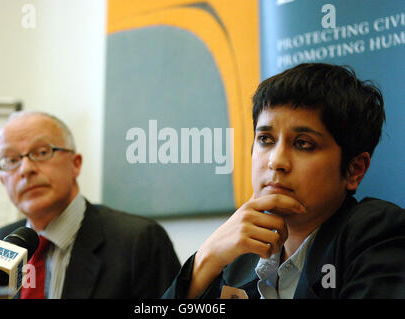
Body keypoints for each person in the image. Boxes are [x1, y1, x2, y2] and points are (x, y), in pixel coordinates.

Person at [162, 63, 405, 299]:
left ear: (354, 170)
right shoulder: (237, 254)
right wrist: (206, 259)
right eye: (266, 139)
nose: (276, 161)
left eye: (303, 144)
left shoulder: (377, 235)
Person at [0, 111, 180, 298]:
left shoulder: (139, 241)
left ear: (76, 164)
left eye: (42, 152)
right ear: (2, 180)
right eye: (12, 160)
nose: (26, 169)